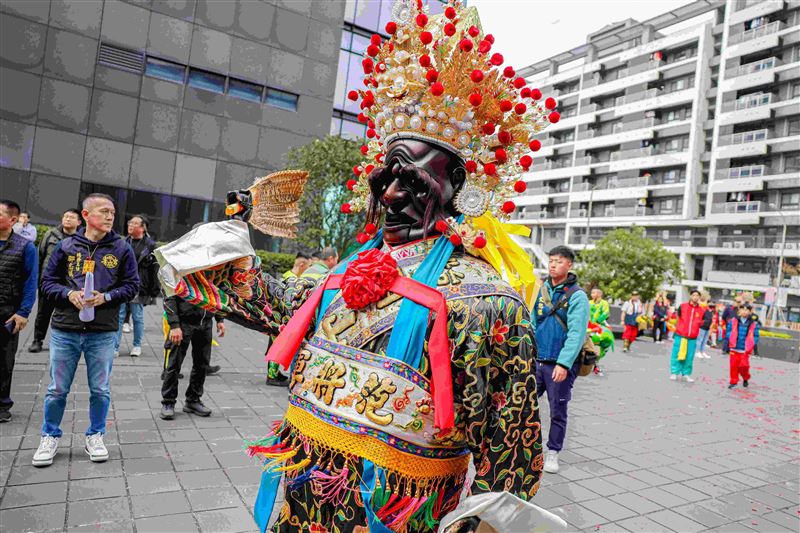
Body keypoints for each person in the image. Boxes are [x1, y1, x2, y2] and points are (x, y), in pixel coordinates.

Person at [155, 7, 568, 529]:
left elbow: (508, 449)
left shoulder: (485, 300)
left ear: (457, 194)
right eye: (387, 178)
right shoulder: (350, 266)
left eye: (414, 183)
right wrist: (226, 251)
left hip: (395, 510)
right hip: (305, 488)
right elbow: (286, 308)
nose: (393, 195)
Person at [33, 193, 138, 467]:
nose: (109, 216)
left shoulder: (122, 248)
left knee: (100, 389)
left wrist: (107, 297)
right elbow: (46, 283)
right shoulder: (66, 246)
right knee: (57, 389)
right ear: (86, 215)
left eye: (112, 213)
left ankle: (95, 435)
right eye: (103, 211)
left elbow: (132, 286)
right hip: (65, 329)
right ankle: (50, 436)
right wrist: (69, 294)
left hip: (103, 332)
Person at [533, 246, 590, 473]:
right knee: (524, 404)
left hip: (559, 365)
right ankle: (525, 445)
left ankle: (553, 452)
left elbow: (576, 333)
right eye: (551, 261)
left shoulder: (577, 296)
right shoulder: (544, 289)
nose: (553, 265)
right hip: (537, 359)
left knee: (557, 410)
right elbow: (533, 321)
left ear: (569, 265)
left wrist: (564, 363)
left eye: (558, 261)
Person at [0, 200, 38, 423]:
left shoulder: (25, 246)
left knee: (4, 360)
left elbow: (30, 282)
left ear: (13, 220)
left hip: (7, 311)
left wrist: (24, 312)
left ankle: (3, 403)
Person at [160, 293, 225, 419]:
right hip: (183, 322)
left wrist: (219, 318)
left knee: (202, 364)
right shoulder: (181, 272)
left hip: (205, 322)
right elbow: (169, 296)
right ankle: (168, 402)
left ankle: (193, 400)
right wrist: (174, 325)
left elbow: (217, 292)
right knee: (174, 363)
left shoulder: (210, 273)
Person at [28, 209, 81, 353]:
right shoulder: (50, 234)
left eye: (71, 217)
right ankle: (37, 340)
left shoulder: (80, 239)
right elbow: (41, 255)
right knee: (43, 312)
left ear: (79, 222)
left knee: (66, 314)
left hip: (69, 283)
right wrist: (39, 279)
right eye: (66, 216)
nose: (68, 219)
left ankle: (62, 343)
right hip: (49, 281)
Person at [113, 215, 159, 357]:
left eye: (134, 223)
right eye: (129, 223)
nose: (130, 225)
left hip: (140, 286)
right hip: (122, 284)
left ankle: (137, 345)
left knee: (137, 317)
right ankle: (115, 347)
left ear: (143, 227)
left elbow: (154, 269)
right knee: (119, 316)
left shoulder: (150, 245)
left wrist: (154, 290)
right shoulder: (122, 242)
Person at [669, 289, 705, 382]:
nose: (695, 297)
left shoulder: (701, 310)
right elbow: (678, 318)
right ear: (690, 296)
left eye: (697, 296)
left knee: (689, 356)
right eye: (693, 295)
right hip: (680, 335)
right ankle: (674, 372)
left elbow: (702, 322)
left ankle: (686, 374)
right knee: (677, 354)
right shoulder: (682, 306)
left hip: (692, 338)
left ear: (699, 297)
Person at [725, 304, 760, 389]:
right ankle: (733, 381)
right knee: (733, 366)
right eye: (742, 309)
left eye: (746, 310)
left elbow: (756, 336)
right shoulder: (733, 321)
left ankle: (745, 378)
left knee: (744, 366)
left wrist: (752, 343)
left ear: (750, 312)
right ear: (739, 311)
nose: (744, 311)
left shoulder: (754, 324)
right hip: (734, 347)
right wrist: (731, 337)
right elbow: (728, 331)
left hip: (745, 349)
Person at [588, 287, 613, 376]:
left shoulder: (604, 303)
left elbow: (606, 313)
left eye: (593, 293)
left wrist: (598, 322)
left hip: (599, 327)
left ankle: (595, 363)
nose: (592, 295)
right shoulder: (589, 302)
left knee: (599, 345)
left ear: (599, 294)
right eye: (591, 293)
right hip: (588, 326)